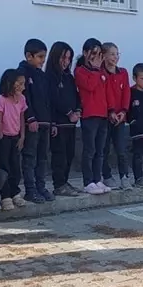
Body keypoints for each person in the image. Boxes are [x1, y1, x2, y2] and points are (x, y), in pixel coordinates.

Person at [19, 39, 54, 203]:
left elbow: (48, 99)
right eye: (40, 57)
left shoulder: (42, 75)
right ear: (28, 56)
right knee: (30, 157)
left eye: (44, 57)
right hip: (32, 124)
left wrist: (51, 122)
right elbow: (25, 99)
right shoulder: (22, 73)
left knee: (43, 157)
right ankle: (30, 189)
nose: (42, 60)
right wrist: (30, 117)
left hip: (45, 122)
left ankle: (41, 187)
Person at [75, 38, 111, 195]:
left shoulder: (102, 72)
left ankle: (98, 179)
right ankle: (88, 181)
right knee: (89, 150)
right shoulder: (80, 71)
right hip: (89, 115)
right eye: (93, 53)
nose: (97, 57)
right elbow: (89, 86)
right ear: (85, 53)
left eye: (99, 53)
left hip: (102, 115)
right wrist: (96, 70)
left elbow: (105, 93)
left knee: (100, 150)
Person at [46, 42, 81, 196]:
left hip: (71, 124)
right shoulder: (50, 77)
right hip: (58, 123)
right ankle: (58, 184)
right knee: (59, 155)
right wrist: (68, 113)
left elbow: (76, 95)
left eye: (69, 58)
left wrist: (78, 110)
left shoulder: (69, 77)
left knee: (69, 154)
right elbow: (53, 99)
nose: (66, 61)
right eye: (63, 57)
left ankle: (65, 181)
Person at [0, 68, 28, 209]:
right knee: (4, 167)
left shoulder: (22, 99)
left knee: (15, 167)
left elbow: (21, 117)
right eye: (20, 83)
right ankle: (5, 195)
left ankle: (15, 193)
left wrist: (22, 136)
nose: (22, 87)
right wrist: (0, 136)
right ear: (10, 84)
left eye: (23, 83)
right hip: (4, 138)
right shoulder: (1, 100)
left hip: (16, 137)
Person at [101, 43, 132, 190]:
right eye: (112, 54)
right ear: (104, 56)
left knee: (121, 148)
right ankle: (106, 176)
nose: (115, 57)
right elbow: (104, 94)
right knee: (104, 148)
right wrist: (110, 111)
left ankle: (124, 176)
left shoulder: (123, 72)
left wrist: (124, 111)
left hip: (120, 117)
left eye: (117, 53)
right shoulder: (101, 73)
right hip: (106, 117)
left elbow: (126, 92)